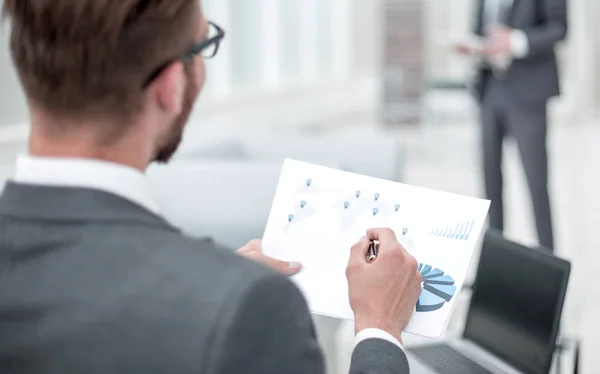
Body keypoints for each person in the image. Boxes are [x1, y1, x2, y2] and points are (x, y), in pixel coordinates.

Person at [0, 1, 423, 373]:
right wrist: (379, 329)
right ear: (169, 86)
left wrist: (213, 283)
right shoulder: (249, 310)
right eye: (203, 48)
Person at [454, 0, 567, 251]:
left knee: (536, 183)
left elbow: (559, 28)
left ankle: (548, 262)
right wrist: (473, 45)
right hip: (491, 90)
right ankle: (494, 263)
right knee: (490, 183)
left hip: (529, 92)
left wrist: (514, 41)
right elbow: (480, 31)